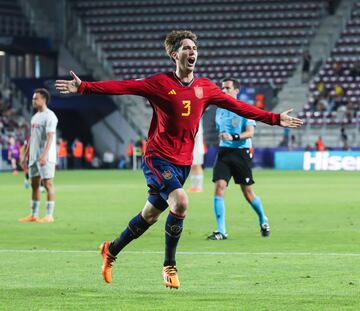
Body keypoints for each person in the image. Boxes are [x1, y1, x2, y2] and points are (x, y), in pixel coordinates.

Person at [55, 30, 303, 289]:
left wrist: (275, 118)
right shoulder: (159, 83)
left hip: (182, 162)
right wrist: (84, 87)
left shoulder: (205, 88)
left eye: (194, 47)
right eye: (186, 48)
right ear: (175, 55)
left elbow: (240, 107)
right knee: (181, 201)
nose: (192, 51)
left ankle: (111, 249)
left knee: (149, 216)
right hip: (157, 157)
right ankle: (169, 266)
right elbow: (123, 86)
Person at [208, 78, 270, 240]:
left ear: (236, 91)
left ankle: (263, 219)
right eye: (222, 88)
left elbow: (250, 133)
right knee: (219, 187)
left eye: (227, 88)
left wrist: (233, 136)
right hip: (224, 151)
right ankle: (221, 231)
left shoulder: (244, 109)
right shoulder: (219, 110)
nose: (223, 91)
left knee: (247, 192)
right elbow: (221, 130)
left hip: (241, 152)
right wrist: (225, 137)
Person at [19, 88, 58, 223]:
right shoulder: (35, 117)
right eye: (33, 98)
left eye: (36, 98)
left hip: (45, 157)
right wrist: (26, 154)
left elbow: (50, 137)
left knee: (48, 184)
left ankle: (49, 215)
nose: (33, 100)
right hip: (34, 157)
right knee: (34, 185)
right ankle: (34, 214)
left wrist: (44, 155)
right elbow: (32, 138)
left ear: (43, 99)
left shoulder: (50, 116)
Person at [187, 119, 205, 193]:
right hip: (192, 148)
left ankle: (199, 187)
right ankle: (194, 186)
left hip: (197, 148)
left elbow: (196, 135)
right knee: (192, 166)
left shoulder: (197, 122)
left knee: (197, 166)